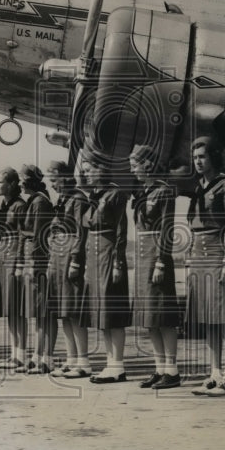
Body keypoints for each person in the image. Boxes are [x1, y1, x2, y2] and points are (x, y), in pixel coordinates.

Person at [184, 137, 225, 397]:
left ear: (213, 157)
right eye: (195, 157)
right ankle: (215, 371)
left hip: (218, 251)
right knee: (208, 317)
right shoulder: (198, 187)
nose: (198, 161)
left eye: (202, 156)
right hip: (198, 253)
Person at [129, 143, 181, 389]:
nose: (133, 170)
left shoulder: (163, 190)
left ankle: (172, 370)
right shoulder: (143, 191)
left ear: (148, 164)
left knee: (163, 316)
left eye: (136, 164)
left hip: (156, 257)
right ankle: (159, 368)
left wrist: (162, 260)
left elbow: (167, 229)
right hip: (141, 257)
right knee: (149, 317)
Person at [84, 151, 132, 383]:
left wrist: (118, 262)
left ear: (102, 169)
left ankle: (118, 365)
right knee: (101, 312)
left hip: (108, 254)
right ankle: (109, 362)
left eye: (90, 169)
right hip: (94, 256)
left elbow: (122, 231)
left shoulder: (116, 194)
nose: (86, 173)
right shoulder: (94, 195)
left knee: (112, 311)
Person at [45, 159, 92, 379]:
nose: (52, 185)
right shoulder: (63, 199)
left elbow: (80, 233)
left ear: (64, 177)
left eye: (54, 180)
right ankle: (71, 359)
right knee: (63, 311)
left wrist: (75, 260)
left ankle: (83, 361)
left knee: (73, 311)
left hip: (69, 256)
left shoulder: (78, 199)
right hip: (57, 255)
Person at [19, 164, 56, 374]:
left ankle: (46, 357)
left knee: (45, 312)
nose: (21, 184)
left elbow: (39, 235)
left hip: (38, 261)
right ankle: (37, 354)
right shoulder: (35, 201)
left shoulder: (40, 202)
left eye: (24, 180)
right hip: (33, 260)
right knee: (38, 312)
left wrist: (33, 263)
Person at [0, 168, 28, 371]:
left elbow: (23, 236)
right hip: (2, 259)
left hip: (14, 258)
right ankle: (14, 354)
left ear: (12, 184)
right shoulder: (2, 206)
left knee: (16, 309)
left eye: (0, 182)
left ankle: (20, 354)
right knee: (9, 310)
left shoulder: (20, 206)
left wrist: (20, 263)